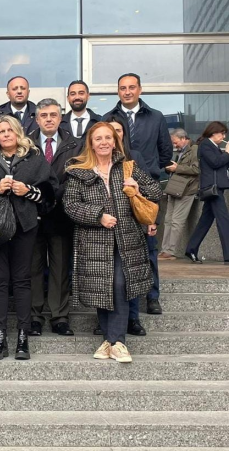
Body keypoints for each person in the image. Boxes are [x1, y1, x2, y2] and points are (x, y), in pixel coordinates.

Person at [64, 122, 162, 363]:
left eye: (108, 137)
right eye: (98, 138)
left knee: (119, 285)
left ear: (115, 141)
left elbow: (156, 192)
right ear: (91, 143)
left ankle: (116, 341)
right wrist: (98, 216)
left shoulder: (128, 167)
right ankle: (111, 340)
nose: (104, 142)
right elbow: (70, 205)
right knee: (102, 288)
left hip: (127, 239)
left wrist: (138, 188)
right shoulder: (78, 171)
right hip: (95, 241)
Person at [0, 116, 56, 360]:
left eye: (9, 130)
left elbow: (50, 196)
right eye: (0, 131)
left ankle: (23, 338)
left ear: (18, 133)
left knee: (23, 281)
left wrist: (29, 191)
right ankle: (0, 335)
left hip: (25, 228)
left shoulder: (35, 159)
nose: (5, 135)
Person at [103, 73, 173, 316]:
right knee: (122, 252)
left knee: (149, 247)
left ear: (140, 89)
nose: (127, 91)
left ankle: (152, 296)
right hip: (117, 193)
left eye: (132, 87)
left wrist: (148, 172)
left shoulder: (155, 117)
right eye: (123, 88)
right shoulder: (108, 118)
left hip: (146, 190)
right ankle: (123, 307)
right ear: (118, 91)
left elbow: (166, 153)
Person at [27, 99, 82, 337]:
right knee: (34, 267)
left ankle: (59, 316)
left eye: (53, 115)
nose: (49, 119)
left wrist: (56, 195)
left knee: (60, 268)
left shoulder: (75, 145)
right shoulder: (25, 144)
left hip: (62, 214)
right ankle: (35, 316)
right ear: (37, 119)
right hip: (31, 213)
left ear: (61, 118)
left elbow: (79, 175)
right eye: (44, 115)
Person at [184, 121, 229, 264]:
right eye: (222, 133)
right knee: (224, 221)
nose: (223, 136)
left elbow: (222, 164)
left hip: (215, 188)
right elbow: (215, 162)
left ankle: (191, 249)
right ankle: (228, 255)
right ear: (213, 132)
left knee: (205, 221)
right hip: (212, 188)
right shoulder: (205, 145)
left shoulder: (214, 147)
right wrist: (227, 153)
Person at [159, 129, 199, 260]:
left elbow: (197, 169)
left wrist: (177, 168)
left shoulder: (194, 149)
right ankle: (165, 249)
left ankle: (171, 251)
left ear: (183, 139)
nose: (174, 145)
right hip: (175, 188)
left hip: (187, 190)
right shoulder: (181, 151)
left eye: (176, 142)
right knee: (168, 220)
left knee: (176, 221)